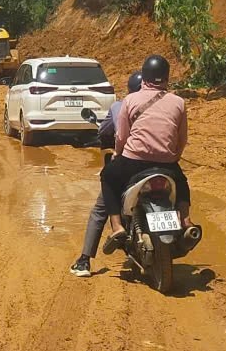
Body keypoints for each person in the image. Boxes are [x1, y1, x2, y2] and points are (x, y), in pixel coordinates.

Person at [100, 54, 191, 254]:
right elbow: (182, 138)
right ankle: (185, 221)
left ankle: (117, 227)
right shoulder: (179, 102)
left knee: (107, 177)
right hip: (166, 164)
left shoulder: (130, 100)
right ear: (167, 78)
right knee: (182, 184)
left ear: (145, 76)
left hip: (134, 161)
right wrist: (173, 158)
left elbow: (122, 136)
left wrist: (118, 153)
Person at [69, 71, 141, 278]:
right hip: (160, 164)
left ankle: (84, 261)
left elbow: (105, 132)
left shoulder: (121, 106)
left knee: (101, 208)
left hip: (127, 163)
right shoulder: (168, 104)